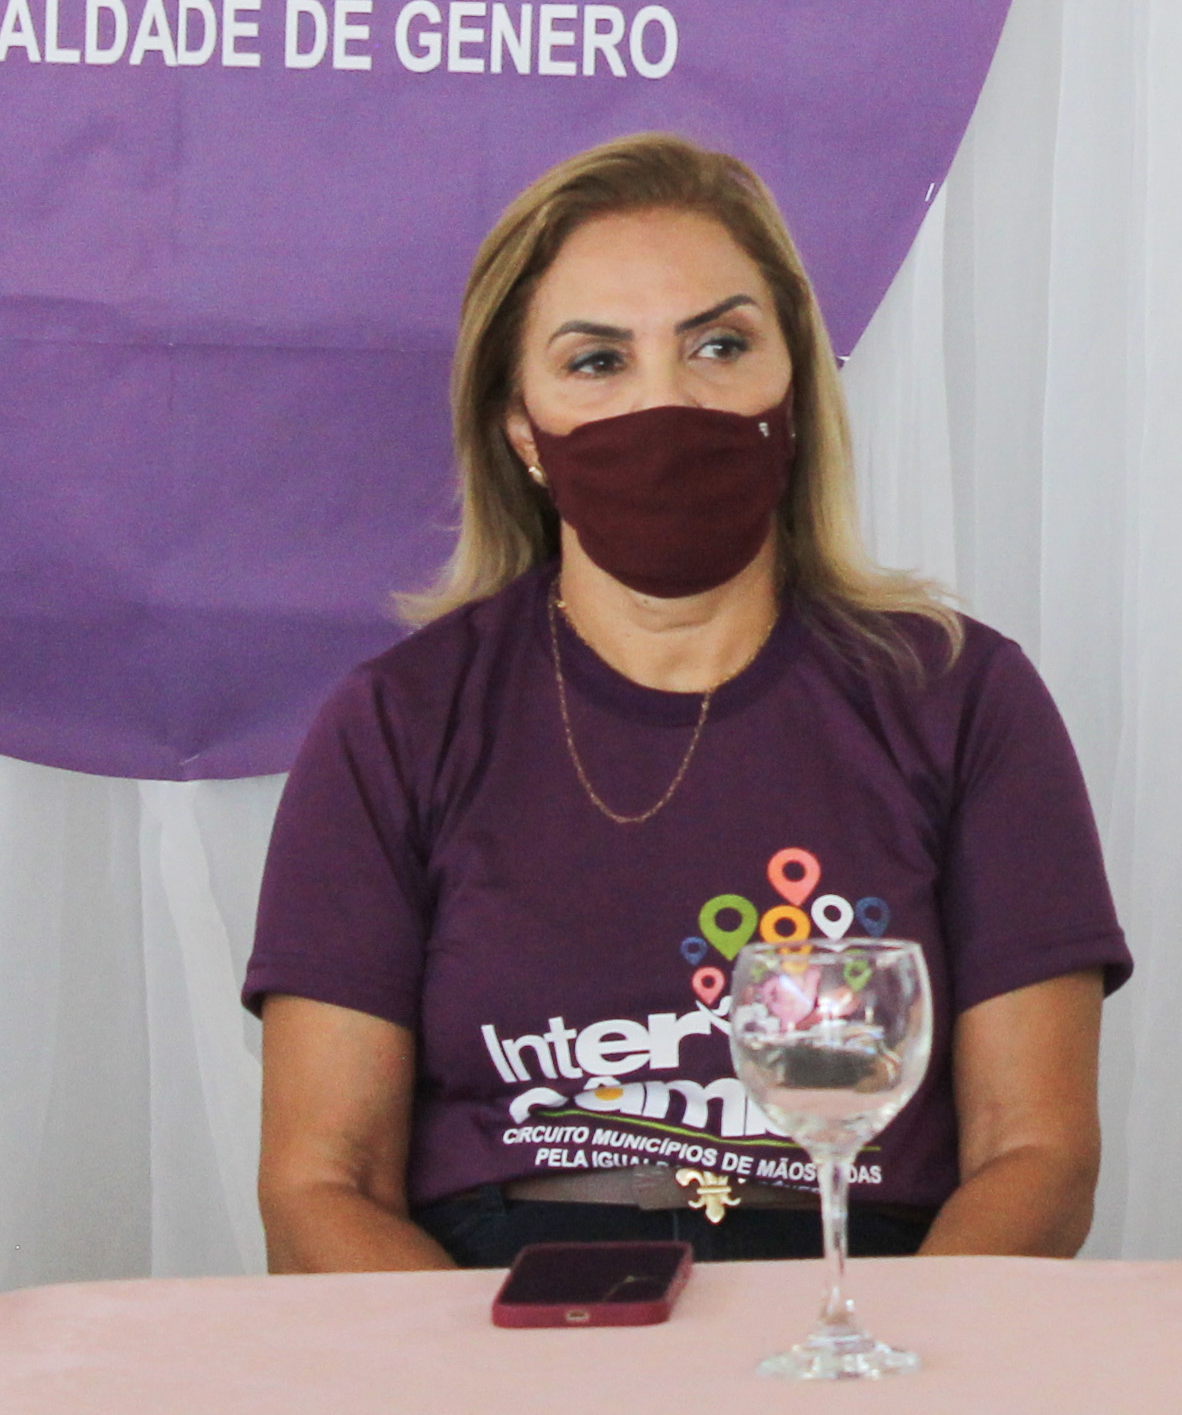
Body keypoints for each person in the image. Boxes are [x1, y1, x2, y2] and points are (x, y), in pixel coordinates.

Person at [249, 135, 1130, 1270]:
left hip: (856, 1291)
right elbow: (320, 1185)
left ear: (795, 388)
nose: (666, 400)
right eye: (596, 361)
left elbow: (1037, 1155)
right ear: (520, 429)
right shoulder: (397, 724)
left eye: (719, 344)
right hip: (500, 1306)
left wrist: (876, 1352)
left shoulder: (962, 699)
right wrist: (477, 1366)